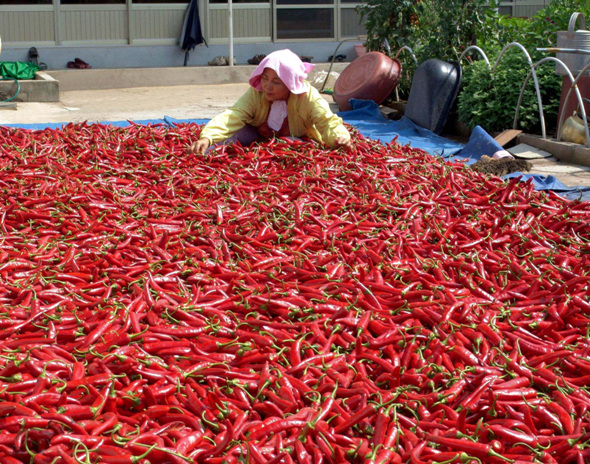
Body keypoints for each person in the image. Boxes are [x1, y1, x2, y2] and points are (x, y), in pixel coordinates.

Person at [189, 49, 353, 155]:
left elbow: (326, 120)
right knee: (228, 139)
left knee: (290, 149)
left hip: (294, 137)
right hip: (258, 133)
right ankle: (205, 153)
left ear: (289, 84)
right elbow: (234, 114)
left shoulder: (307, 96)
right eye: (265, 78)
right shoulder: (257, 92)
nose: (267, 86)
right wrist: (207, 137)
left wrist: (340, 137)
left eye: (276, 82)